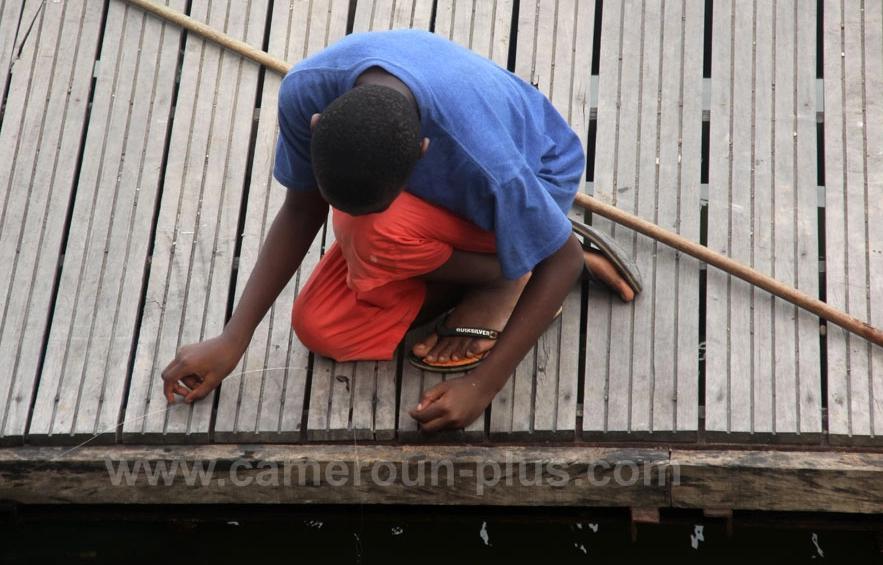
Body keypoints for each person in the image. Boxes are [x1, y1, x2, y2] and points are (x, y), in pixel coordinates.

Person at [161, 29, 640, 432]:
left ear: (422, 154)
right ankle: (498, 266)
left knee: (373, 229)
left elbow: (566, 261)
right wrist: (233, 338)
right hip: (431, 205)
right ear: (316, 126)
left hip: (535, 173)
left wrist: (480, 388)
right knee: (321, 328)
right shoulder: (304, 93)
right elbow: (302, 210)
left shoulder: (486, 160)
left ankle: (522, 258)